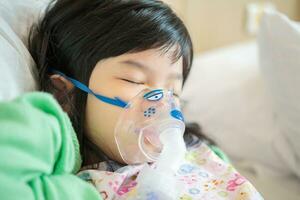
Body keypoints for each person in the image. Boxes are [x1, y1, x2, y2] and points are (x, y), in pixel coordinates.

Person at [0, 0, 260, 199]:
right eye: (135, 81)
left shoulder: (200, 152)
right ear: (65, 91)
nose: (161, 102)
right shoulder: (73, 171)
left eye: (173, 90)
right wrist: (51, 123)